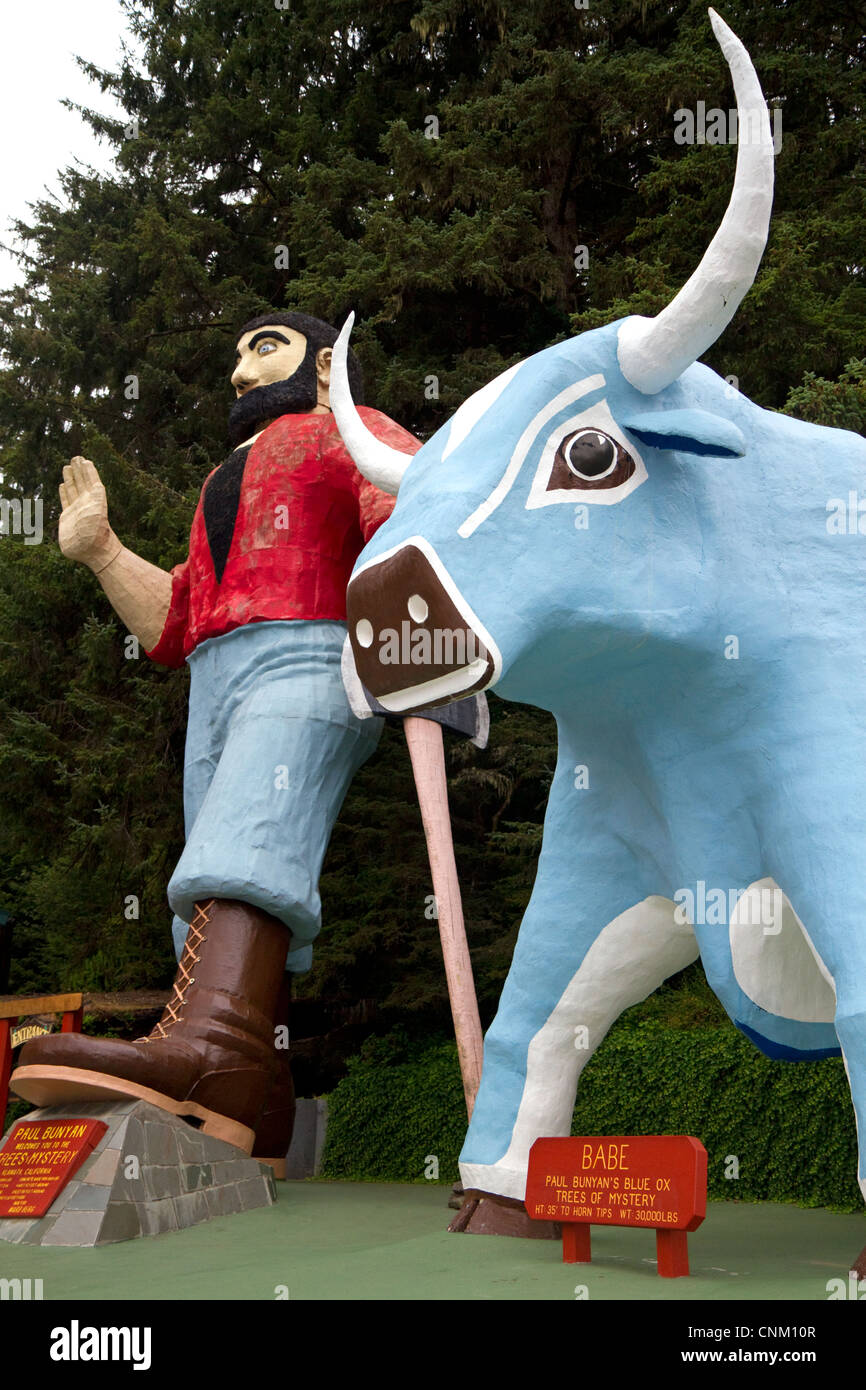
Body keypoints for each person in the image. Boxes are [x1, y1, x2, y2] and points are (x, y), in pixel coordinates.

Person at [13, 312, 420, 1164]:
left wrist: (420, 631)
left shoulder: (348, 427)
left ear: (324, 364)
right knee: (209, 877)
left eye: (262, 347)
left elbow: (411, 515)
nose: (239, 372)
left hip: (310, 651)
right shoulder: (221, 479)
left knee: (248, 837)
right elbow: (172, 622)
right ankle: (255, 1107)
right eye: (236, 355)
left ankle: (212, 1053)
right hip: (213, 676)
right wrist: (104, 552)